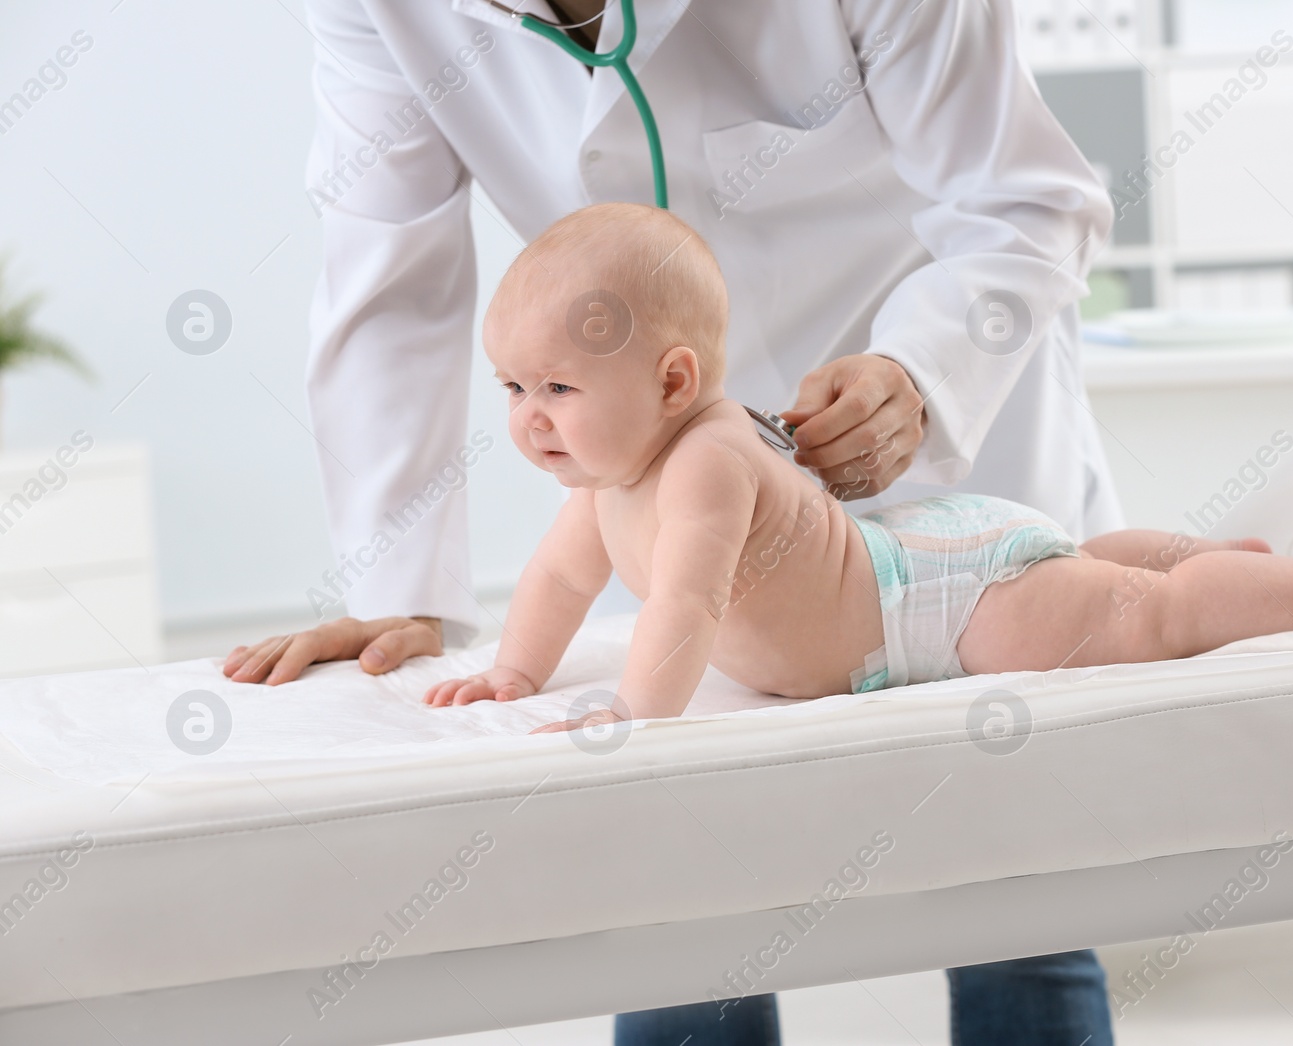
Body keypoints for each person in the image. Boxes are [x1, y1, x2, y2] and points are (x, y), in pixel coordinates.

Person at [224, 0, 1131, 1040]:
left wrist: (924, 374)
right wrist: (400, 590)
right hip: (660, 478)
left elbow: (1023, 196)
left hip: (939, 458)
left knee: (1013, 897)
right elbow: (389, 281)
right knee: (675, 902)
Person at [424, 203, 1293, 723]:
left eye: (556, 389)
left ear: (675, 380)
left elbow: (683, 607)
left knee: (1147, 619)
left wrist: (629, 716)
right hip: (922, 553)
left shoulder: (704, 462)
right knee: (1081, 564)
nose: (529, 420)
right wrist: (515, 669)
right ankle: (1210, 557)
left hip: (945, 602)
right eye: (511, 389)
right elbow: (562, 577)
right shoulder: (612, 478)